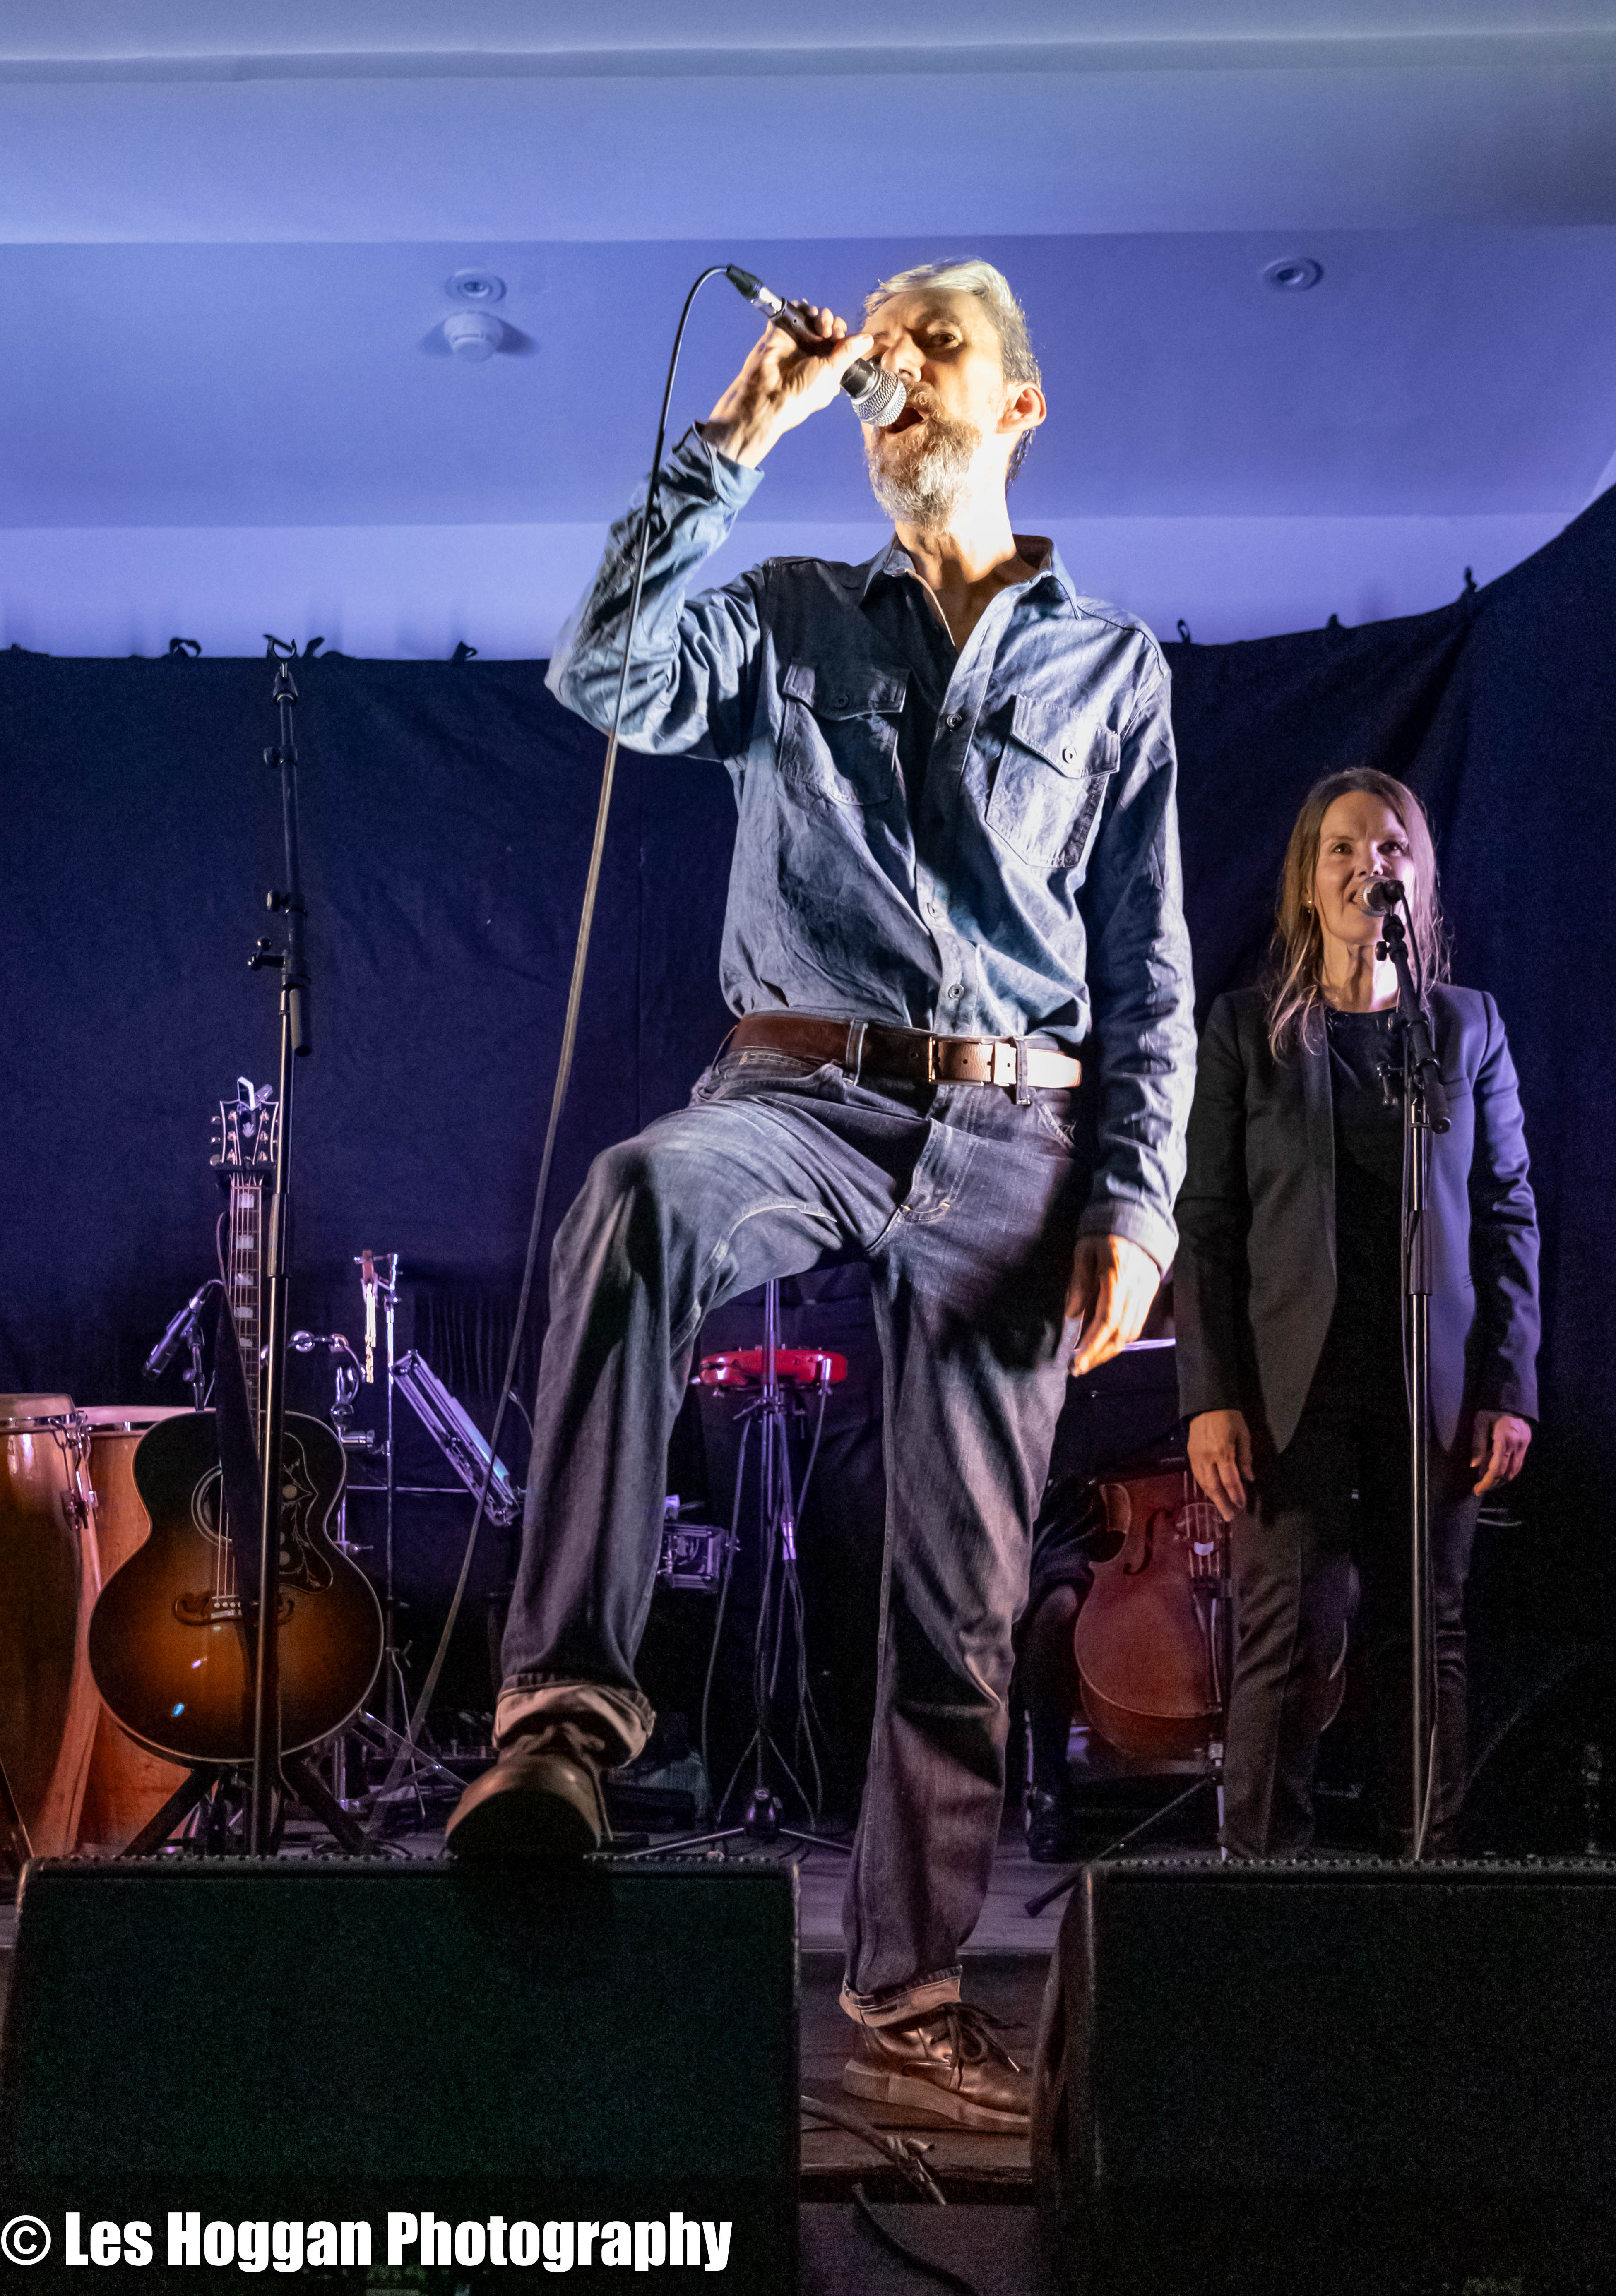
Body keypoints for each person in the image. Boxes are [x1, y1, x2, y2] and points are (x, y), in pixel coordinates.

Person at [447, 258, 1197, 2128]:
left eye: (938, 346)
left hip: (1016, 1138)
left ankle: (909, 1991)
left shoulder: (1112, 671)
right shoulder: (790, 612)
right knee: (639, 1194)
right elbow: (601, 670)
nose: (896, 370)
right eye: (882, 348)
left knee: (962, 1601)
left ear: (1019, 405)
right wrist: (735, 433)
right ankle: (561, 1726)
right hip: (794, 1091)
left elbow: (1149, 968)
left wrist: (1140, 1199)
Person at [1175, 769, 1539, 1857]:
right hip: (1291, 1383)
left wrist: (1509, 1386)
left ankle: (1422, 1883)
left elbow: (1507, 1211)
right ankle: (1261, 1896)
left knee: (1427, 1633)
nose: (1365, 866)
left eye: (1389, 848)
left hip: (1434, 1379)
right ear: (1307, 878)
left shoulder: (1467, 1029)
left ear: (1415, 880)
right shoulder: (1247, 1030)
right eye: (1341, 847)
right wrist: (1210, 1397)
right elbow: (1208, 1222)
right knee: (1287, 1632)